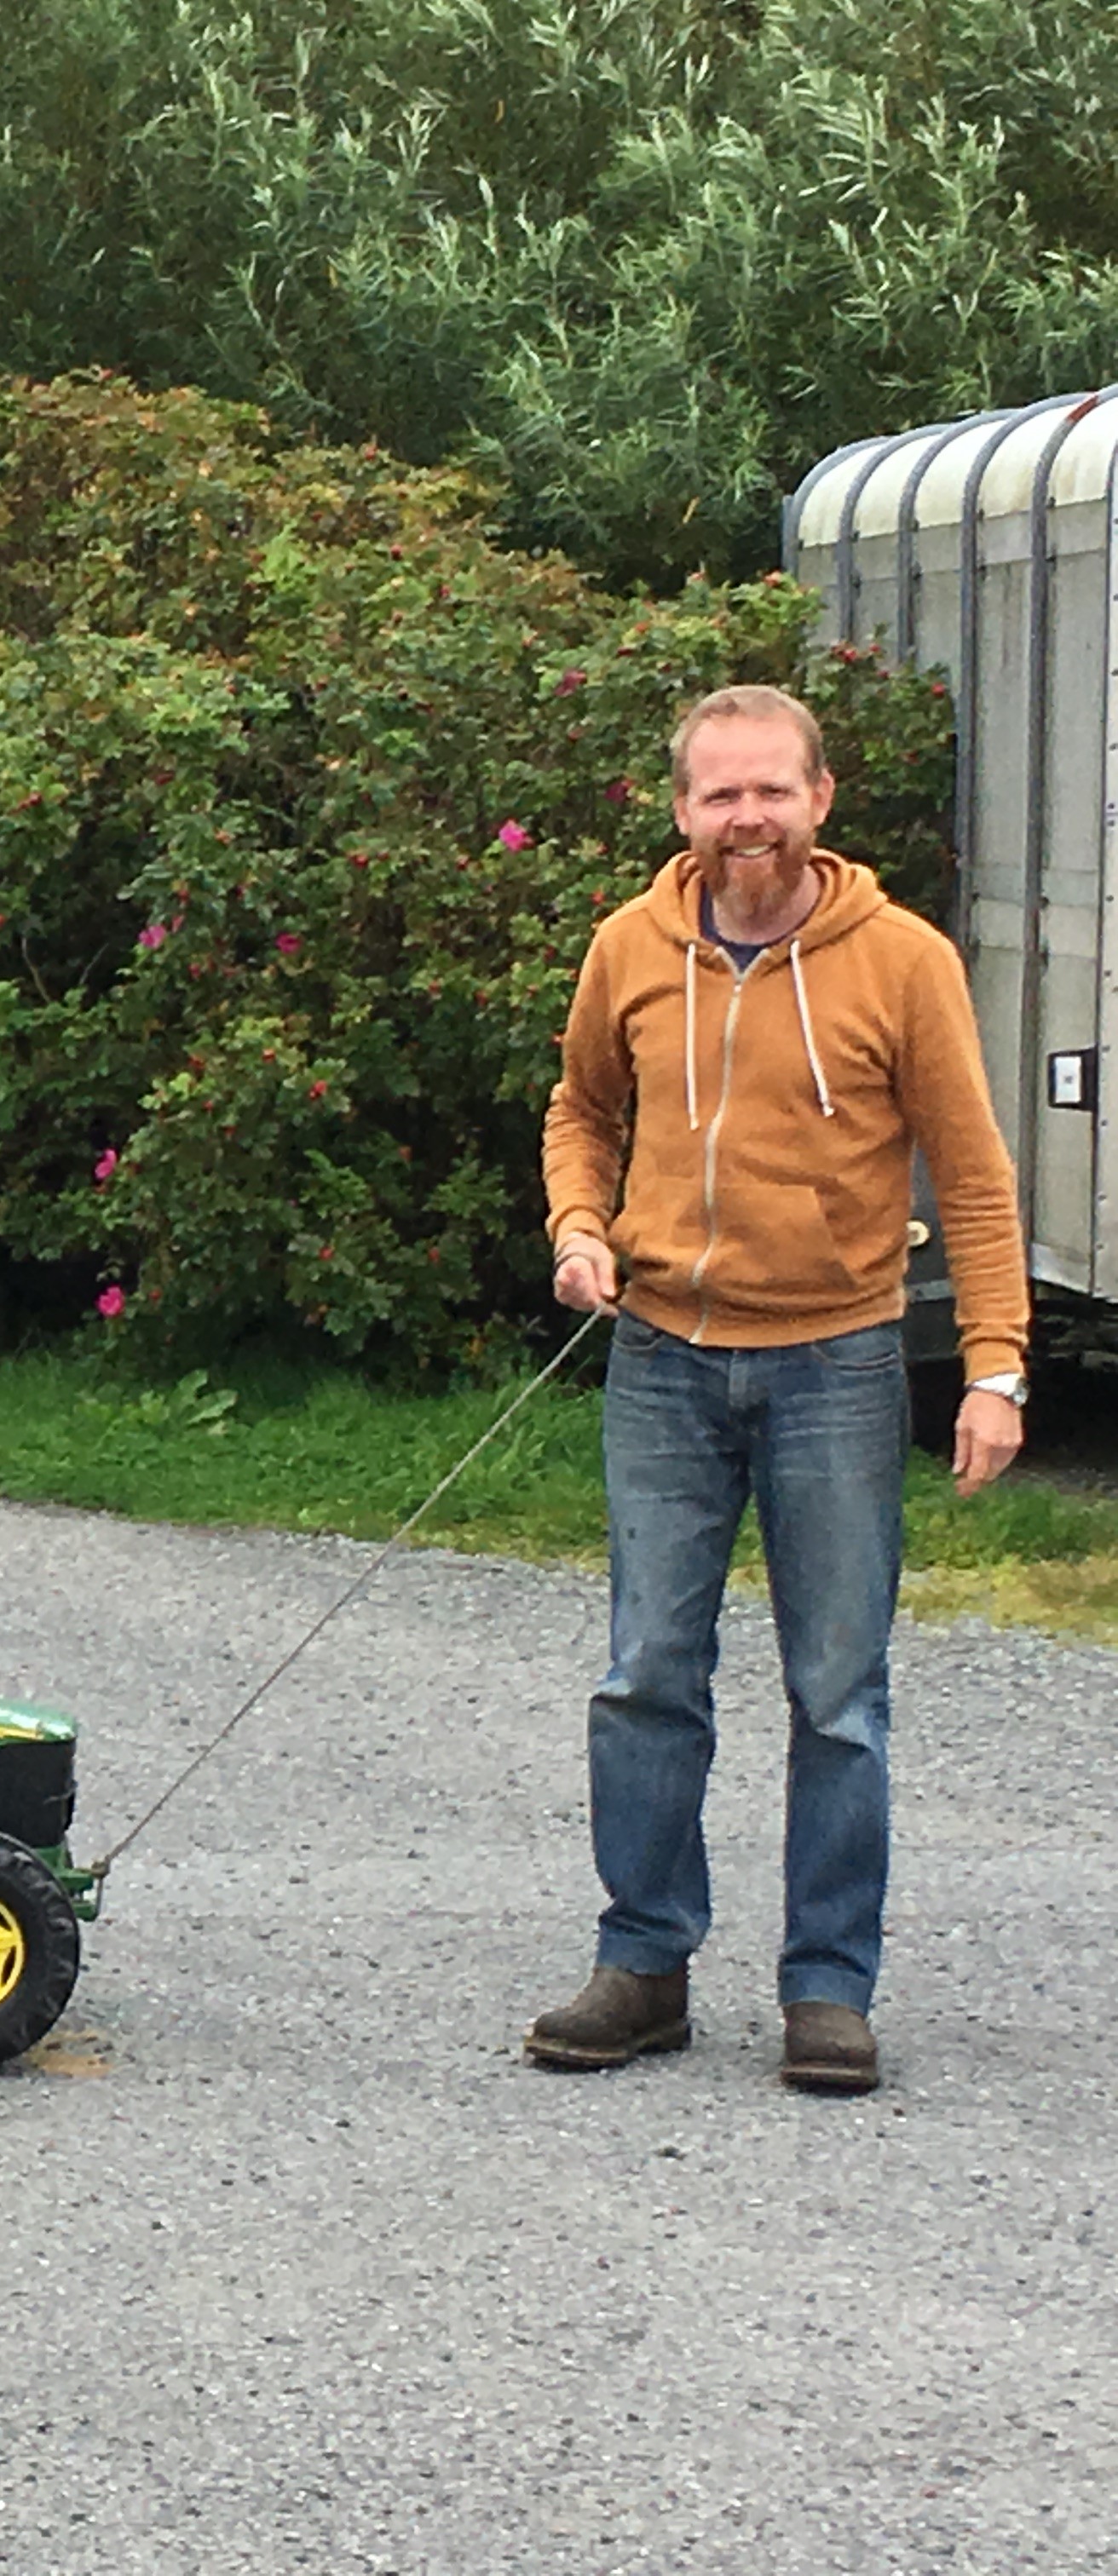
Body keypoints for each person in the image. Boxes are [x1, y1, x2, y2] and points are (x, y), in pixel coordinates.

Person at [530, 682, 1027, 2096]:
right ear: (680, 809)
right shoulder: (628, 945)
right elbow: (580, 1110)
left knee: (837, 1690)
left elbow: (975, 1176)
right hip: (659, 1361)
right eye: (716, 794)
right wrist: (579, 1227)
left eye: (769, 790)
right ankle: (642, 1964)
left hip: (839, 1360)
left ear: (818, 798)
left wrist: (992, 1362)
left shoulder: (904, 959)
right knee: (644, 1676)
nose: (744, 817)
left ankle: (825, 1984)